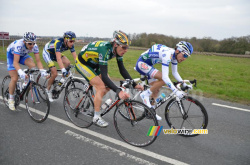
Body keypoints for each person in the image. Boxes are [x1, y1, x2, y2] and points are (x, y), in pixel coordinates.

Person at [75, 30, 144, 127]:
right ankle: (96, 117)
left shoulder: (117, 51)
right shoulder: (105, 50)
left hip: (95, 63)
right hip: (83, 63)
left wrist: (135, 85)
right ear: (116, 44)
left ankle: (95, 104)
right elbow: (104, 76)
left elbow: (122, 70)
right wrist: (118, 91)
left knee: (107, 86)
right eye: (124, 47)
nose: (126, 50)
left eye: (127, 47)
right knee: (101, 87)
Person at [135, 41, 194, 120]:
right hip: (142, 64)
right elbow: (165, 78)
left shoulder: (174, 56)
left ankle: (150, 111)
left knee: (156, 89)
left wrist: (183, 84)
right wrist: (176, 91)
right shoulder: (167, 54)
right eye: (185, 55)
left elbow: (175, 73)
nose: (184, 58)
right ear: (178, 51)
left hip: (149, 65)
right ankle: (145, 94)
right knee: (163, 79)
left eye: (187, 57)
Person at [6, 32, 48, 111]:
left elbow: (38, 61)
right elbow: (15, 62)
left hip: (22, 55)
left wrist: (42, 71)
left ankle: (25, 79)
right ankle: (11, 99)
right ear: (25, 42)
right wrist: (20, 72)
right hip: (12, 56)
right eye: (29, 44)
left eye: (33, 43)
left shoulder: (34, 46)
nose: (32, 46)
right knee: (14, 78)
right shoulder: (19, 45)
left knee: (32, 65)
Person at [42, 31, 77, 102]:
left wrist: (79, 66)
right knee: (55, 74)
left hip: (55, 53)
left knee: (68, 62)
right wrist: (63, 70)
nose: (72, 43)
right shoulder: (58, 43)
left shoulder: (71, 45)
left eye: (73, 41)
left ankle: (61, 80)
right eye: (71, 41)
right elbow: (58, 59)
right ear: (65, 40)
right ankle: (47, 90)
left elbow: (75, 58)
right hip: (48, 53)